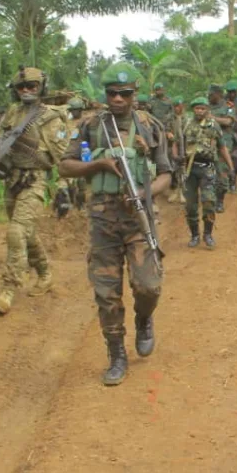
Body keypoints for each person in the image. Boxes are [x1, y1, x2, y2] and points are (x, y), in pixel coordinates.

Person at [57, 63, 172, 386]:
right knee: (107, 294)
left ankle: (144, 317)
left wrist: (143, 193)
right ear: (104, 94)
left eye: (125, 93)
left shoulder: (150, 126)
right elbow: (64, 166)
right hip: (102, 220)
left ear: (135, 94)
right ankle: (116, 354)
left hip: (139, 219)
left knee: (148, 286)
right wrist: (97, 164)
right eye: (112, 93)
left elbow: (166, 174)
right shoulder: (90, 125)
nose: (118, 99)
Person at [0, 67, 69, 315]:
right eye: (22, 87)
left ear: (41, 87)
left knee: (16, 232)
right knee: (27, 233)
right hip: (12, 180)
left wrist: (63, 187)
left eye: (32, 86)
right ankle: (44, 273)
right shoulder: (12, 112)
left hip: (36, 181)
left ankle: (9, 289)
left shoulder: (52, 117)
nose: (26, 90)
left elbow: (64, 156)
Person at [179, 97, 234, 248]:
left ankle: (208, 234)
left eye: (202, 108)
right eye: (197, 108)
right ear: (193, 110)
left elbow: (222, 147)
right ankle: (195, 235)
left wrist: (231, 167)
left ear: (207, 110)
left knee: (209, 202)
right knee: (190, 205)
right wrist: (178, 159)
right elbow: (179, 143)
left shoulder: (213, 126)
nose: (200, 111)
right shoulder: (186, 124)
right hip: (190, 169)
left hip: (207, 168)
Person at [55, 97, 89, 217]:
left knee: (82, 183)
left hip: (82, 155)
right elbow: (58, 139)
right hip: (67, 155)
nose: (74, 112)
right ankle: (64, 207)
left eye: (76, 110)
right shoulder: (64, 124)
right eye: (72, 110)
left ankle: (81, 205)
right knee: (64, 183)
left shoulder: (86, 122)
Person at [208, 84, 236, 212]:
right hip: (207, 144)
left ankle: (220, 200)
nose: (209, 96)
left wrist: (213, 119)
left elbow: (228, 122)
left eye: (211, 94)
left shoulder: (228, 106)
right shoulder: (206, 106)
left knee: (222, 173)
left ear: (218, 94)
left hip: (223, 144)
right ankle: (210, 198)